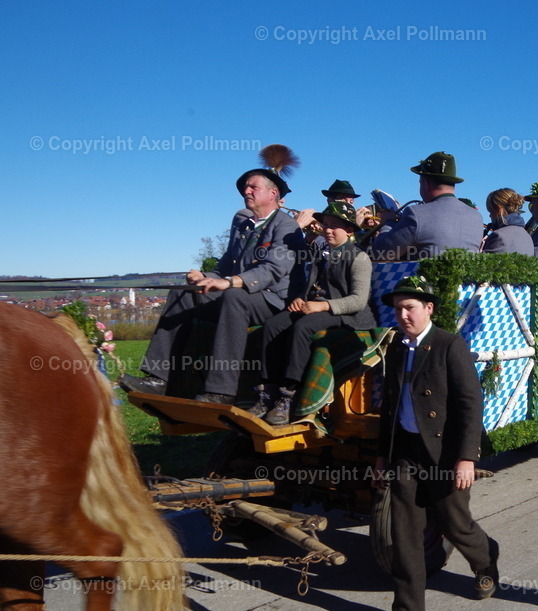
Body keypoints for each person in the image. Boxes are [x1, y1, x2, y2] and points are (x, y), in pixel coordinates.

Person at [370, 276, 499, 611]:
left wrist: (466, 458)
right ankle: (408, 609)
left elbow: (470, 404)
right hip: (405, 452)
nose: (403, 315)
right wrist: (382, 457)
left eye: (410, 307)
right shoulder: (396, 348)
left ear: (429, 308)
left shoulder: (449, 344)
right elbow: (389, 408)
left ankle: (485, 560)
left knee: (454, 523)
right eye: (398, 309)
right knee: (403, 531)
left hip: (444, 454)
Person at [121, 148, 303, 404]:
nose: (246, 191)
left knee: (234, 297)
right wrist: (204, 277)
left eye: (253, 187)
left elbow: (273, 270)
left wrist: (227, 283)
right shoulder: (243, 225)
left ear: (273, 194)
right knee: (183, 294)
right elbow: (226, 266)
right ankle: (157, 379)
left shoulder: (286, 226)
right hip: (237, 291)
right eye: (245, 188)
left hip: (271, 298)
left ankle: (220, 391)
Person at [249, 202, 375, 425]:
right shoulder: (321, 254)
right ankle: (267, 390)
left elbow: (358, 300)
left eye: (334, 226)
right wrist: (300, 298)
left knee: (302, 328)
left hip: (345, 314)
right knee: (272, 326)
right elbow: (311, 286)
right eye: (325, 225)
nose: (327, 230)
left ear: (349, 230)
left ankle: (290, 394)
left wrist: (323, 306)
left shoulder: (359, 258)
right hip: (314, 307)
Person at [370, 152, 482, 261]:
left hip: (424, 274)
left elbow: (381, 252)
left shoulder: (416, 214)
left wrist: (388, 222)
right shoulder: (476, 217)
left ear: (426, 183)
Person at [481, 188, 534, 255]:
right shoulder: (527, 236)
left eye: (491, 212)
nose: (489, 216)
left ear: (498, 209)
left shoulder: (499, 236)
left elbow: (486, 261)